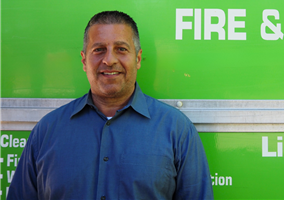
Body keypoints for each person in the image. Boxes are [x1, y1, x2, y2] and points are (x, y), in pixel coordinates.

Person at [7, 10, 214, 200]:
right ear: (83, 60)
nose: (109, 60)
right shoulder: (46, 132)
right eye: (98, 50)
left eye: (121, 49)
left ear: (138, 58)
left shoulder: (177, 131)